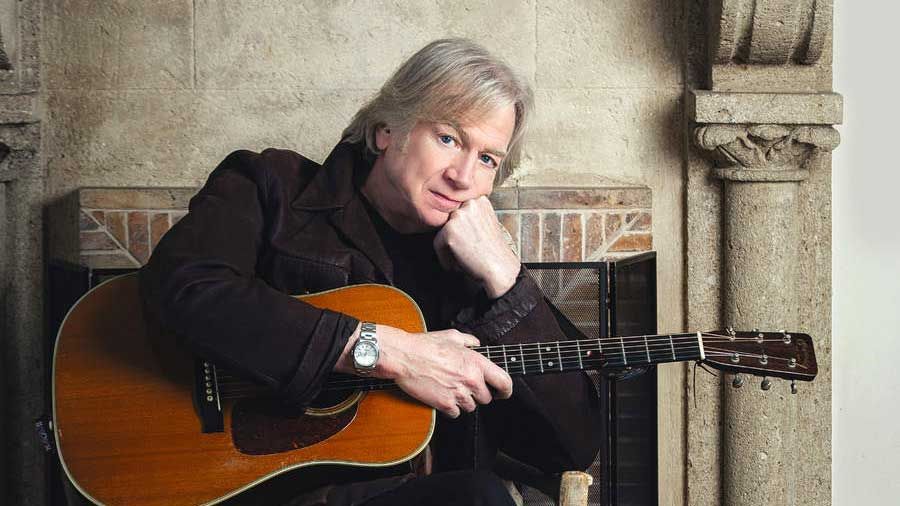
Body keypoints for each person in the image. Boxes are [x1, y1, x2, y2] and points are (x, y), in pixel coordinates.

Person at [140, 38, 602, 506]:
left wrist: (506, 277)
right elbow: (186, 287)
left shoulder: (476, 273)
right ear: (386, 130)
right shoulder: (271, 185)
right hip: (254, 486)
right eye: (448, 138)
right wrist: (389, 352)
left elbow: (570, 448)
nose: (464, 176)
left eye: (487, 159)